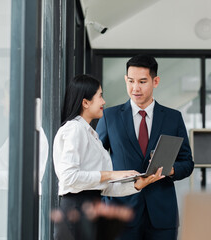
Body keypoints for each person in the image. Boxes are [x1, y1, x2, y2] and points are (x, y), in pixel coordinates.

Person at [52, 74, 164, 240]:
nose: (104, 101)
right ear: (85, 102)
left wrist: (138, 184)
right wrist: (112, 174)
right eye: (100, 96)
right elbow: (69, 177)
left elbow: (103, 187)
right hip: (76, 212)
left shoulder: (91, 133)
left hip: (90, 210)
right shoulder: (74, 130)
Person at [96, 54, 194, 240]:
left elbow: (187, 163)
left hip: (162, 216)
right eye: (131, 81)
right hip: (120, 213)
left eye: (142, 81)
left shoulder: (173, 118)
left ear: (155, 81)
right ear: (125, 79)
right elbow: (96, 163)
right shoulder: (110, 117)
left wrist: (170, 170)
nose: (135, 88)